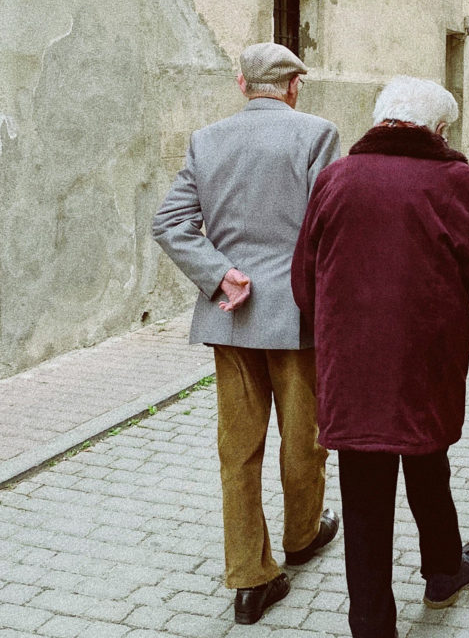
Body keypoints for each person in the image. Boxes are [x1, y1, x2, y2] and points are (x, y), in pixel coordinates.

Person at [291, 76, 469, 638]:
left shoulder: (335, 180)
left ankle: (374, 621)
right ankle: (444, 569)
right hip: (425, 362)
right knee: (428, 459)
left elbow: (304, 277)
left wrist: (329, 331)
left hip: (352, 368)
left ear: (380, 121)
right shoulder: (457, 182)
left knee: (363, 492)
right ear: (440, 129)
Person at [152, 42, 342, 626]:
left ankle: (249, 578)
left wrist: (219, 273)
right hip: (298, 317)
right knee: (302, 436)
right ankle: (302, 535)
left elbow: (169, 224)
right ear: (293, 86)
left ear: (241, 84)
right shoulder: (318, 134)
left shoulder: (207, 139)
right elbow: (327, 225)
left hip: (231, 316)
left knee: (238, 449)